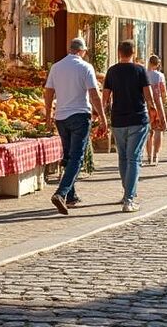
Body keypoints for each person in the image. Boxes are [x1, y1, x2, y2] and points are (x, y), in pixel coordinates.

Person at [44, 37, 107, 215]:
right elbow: (94, 94)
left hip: (61, 117)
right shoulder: (85, 67)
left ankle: (70, 197)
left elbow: (48, 92)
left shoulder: (56, 67)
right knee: (77, 158)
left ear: (70, 49)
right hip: (79, 115)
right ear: (82, 51)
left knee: (68, 156)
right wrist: (102, 116)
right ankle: (61, 193)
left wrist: (49, 115)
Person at [102, 41, 167, 213]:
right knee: (134, 159)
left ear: (118, 52)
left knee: (123, 158)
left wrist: (101, 116)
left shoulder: (112, 71)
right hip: (138, 119)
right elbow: (148, 95)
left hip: (118, 120)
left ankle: (127, 194)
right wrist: (155, 113)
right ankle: (129, 199)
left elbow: (105, 97)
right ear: (134, 52)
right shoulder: (140, 70)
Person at [145, 55, 167, 166]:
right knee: (158, 130)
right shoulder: (160, 76)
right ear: (158, 64)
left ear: (149, 62)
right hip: (157, 105)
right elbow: (163, 92)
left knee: (149, 132)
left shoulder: (144, 74)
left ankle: (149, 156)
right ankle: (156, 155)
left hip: (146, 105)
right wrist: (164, 102)